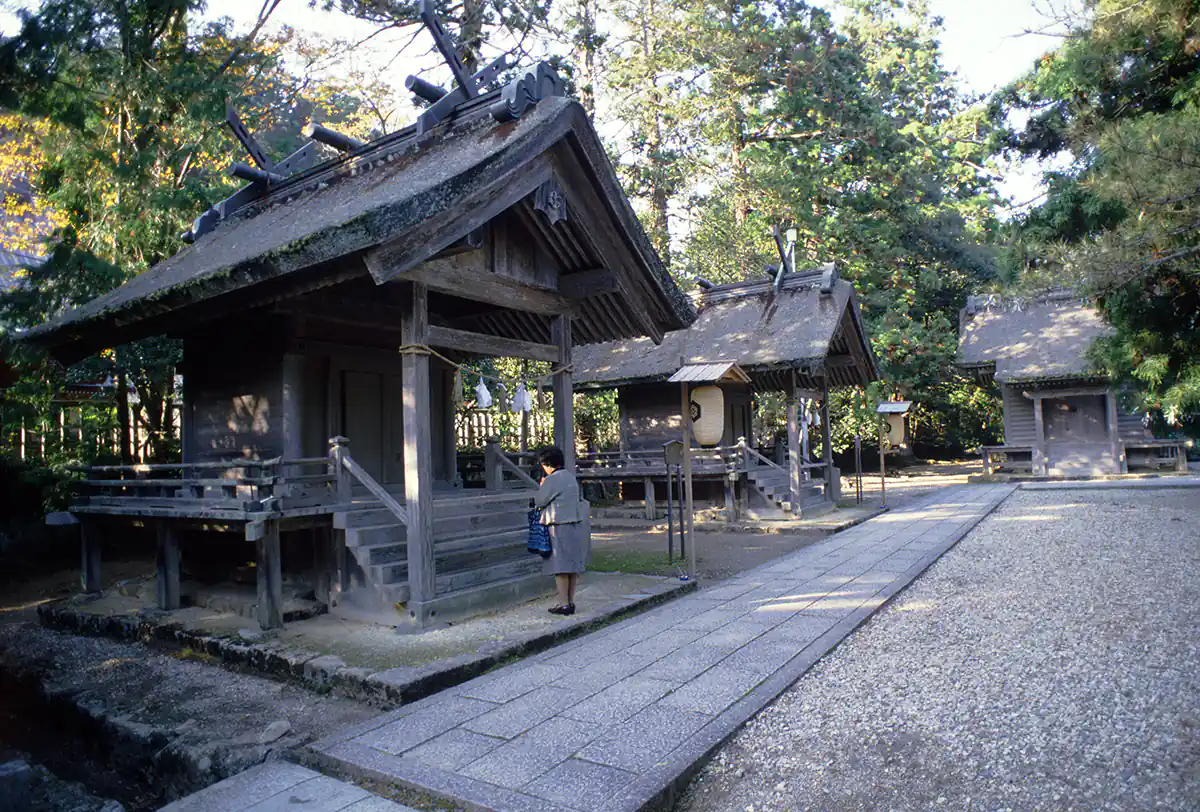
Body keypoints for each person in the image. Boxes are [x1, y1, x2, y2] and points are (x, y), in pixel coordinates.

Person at [532, 446, 589, 615]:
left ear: (546, 464)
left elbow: (540, 501)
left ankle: (563, 603)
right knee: (571, 567)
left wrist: (542, 486)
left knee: (560, 567)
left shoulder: (552, 479)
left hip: (558, 525)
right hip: (574, 524)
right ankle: (570, 602)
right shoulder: (570, 477)